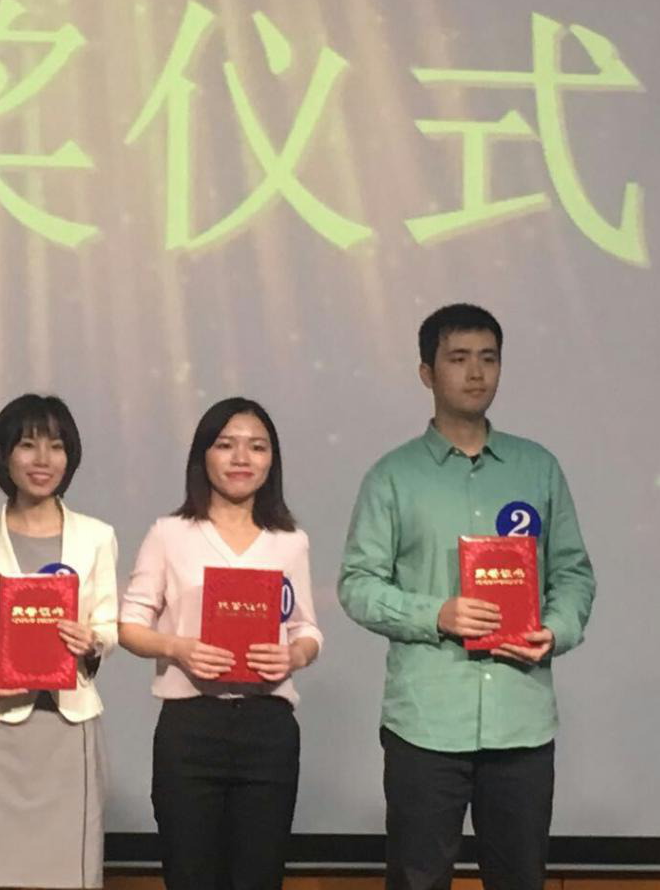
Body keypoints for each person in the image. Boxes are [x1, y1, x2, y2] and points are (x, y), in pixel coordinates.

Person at [338, 303, 596, 890]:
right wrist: (437, 614)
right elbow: (357, 584)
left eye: (489, 358)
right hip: (426, 722)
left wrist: (555, 629)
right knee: (418, 879)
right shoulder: (393, 476)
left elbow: (574, 573)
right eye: (458, 359)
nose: (476, 373)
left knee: (520, 878)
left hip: (521, 719)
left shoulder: (537, 468)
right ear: (427, 373)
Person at [118, 397, 323, 890]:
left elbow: (307, 630)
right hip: (191, 727)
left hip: (268, 728)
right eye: (226, 445)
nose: (242, 458)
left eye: (257, 447)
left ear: (271, 461)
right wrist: (178, 648)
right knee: (190, 874)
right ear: (203, 455)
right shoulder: (170, 534)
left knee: (260, 876)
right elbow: (129, 625)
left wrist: (294, 655)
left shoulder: (289, 540)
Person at [0, 394, 118, 889]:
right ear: (3, 454)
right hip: (0, 724)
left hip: (71, 724)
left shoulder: (97, 536)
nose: (43, 459)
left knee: (71, 870)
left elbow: (109, 621)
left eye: (56, 446)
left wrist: (93, 639)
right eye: (28, 445)